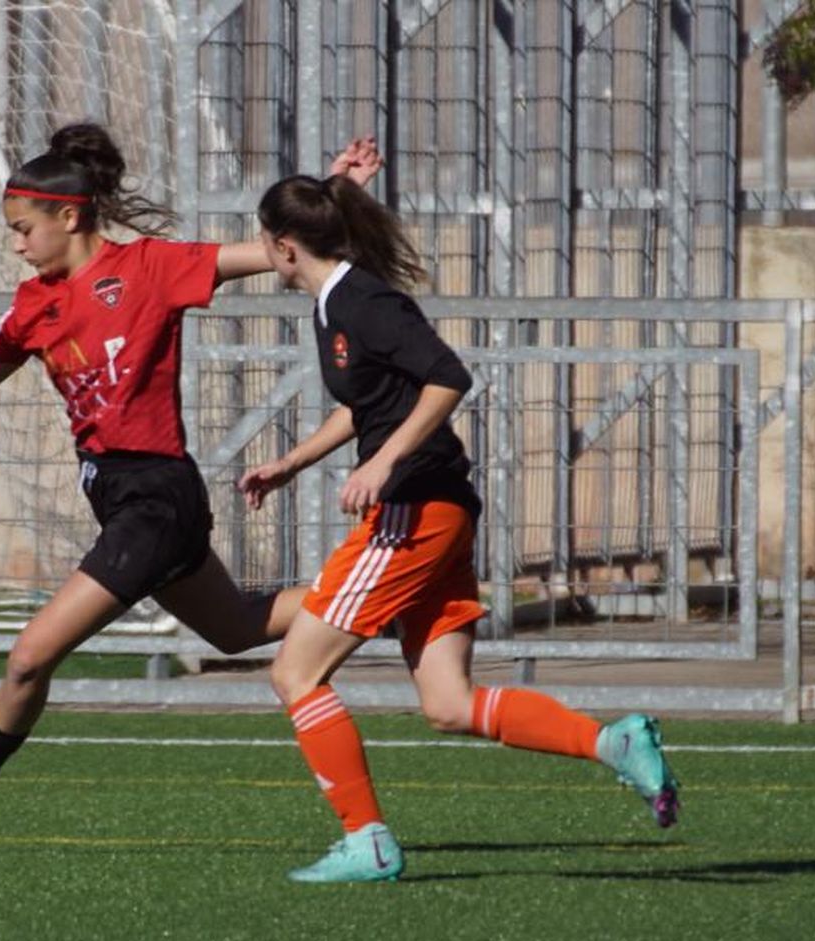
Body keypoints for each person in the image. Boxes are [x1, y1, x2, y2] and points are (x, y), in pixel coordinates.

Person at [0, 124, 382, 827]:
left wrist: (340, 190)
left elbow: (269, 251)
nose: (16, 244)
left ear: (69, 216)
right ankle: (381, 591)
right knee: (234, 628)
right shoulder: (32, 305)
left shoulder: (149, 268)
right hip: (117, 499)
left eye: (23, 230)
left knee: (28, 658)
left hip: (157, 496)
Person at [238, 173, 681, 884]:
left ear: (281, 247)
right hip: (435, 511)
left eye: (263, 241)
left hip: (413, 513)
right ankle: (614, 743)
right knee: (449, 704)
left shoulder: (364, 300)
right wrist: (291, 462)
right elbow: (371, 401)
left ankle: (367, 840)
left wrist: (385, 462)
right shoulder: (334, 303)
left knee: (295, 670)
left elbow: (447, 377)